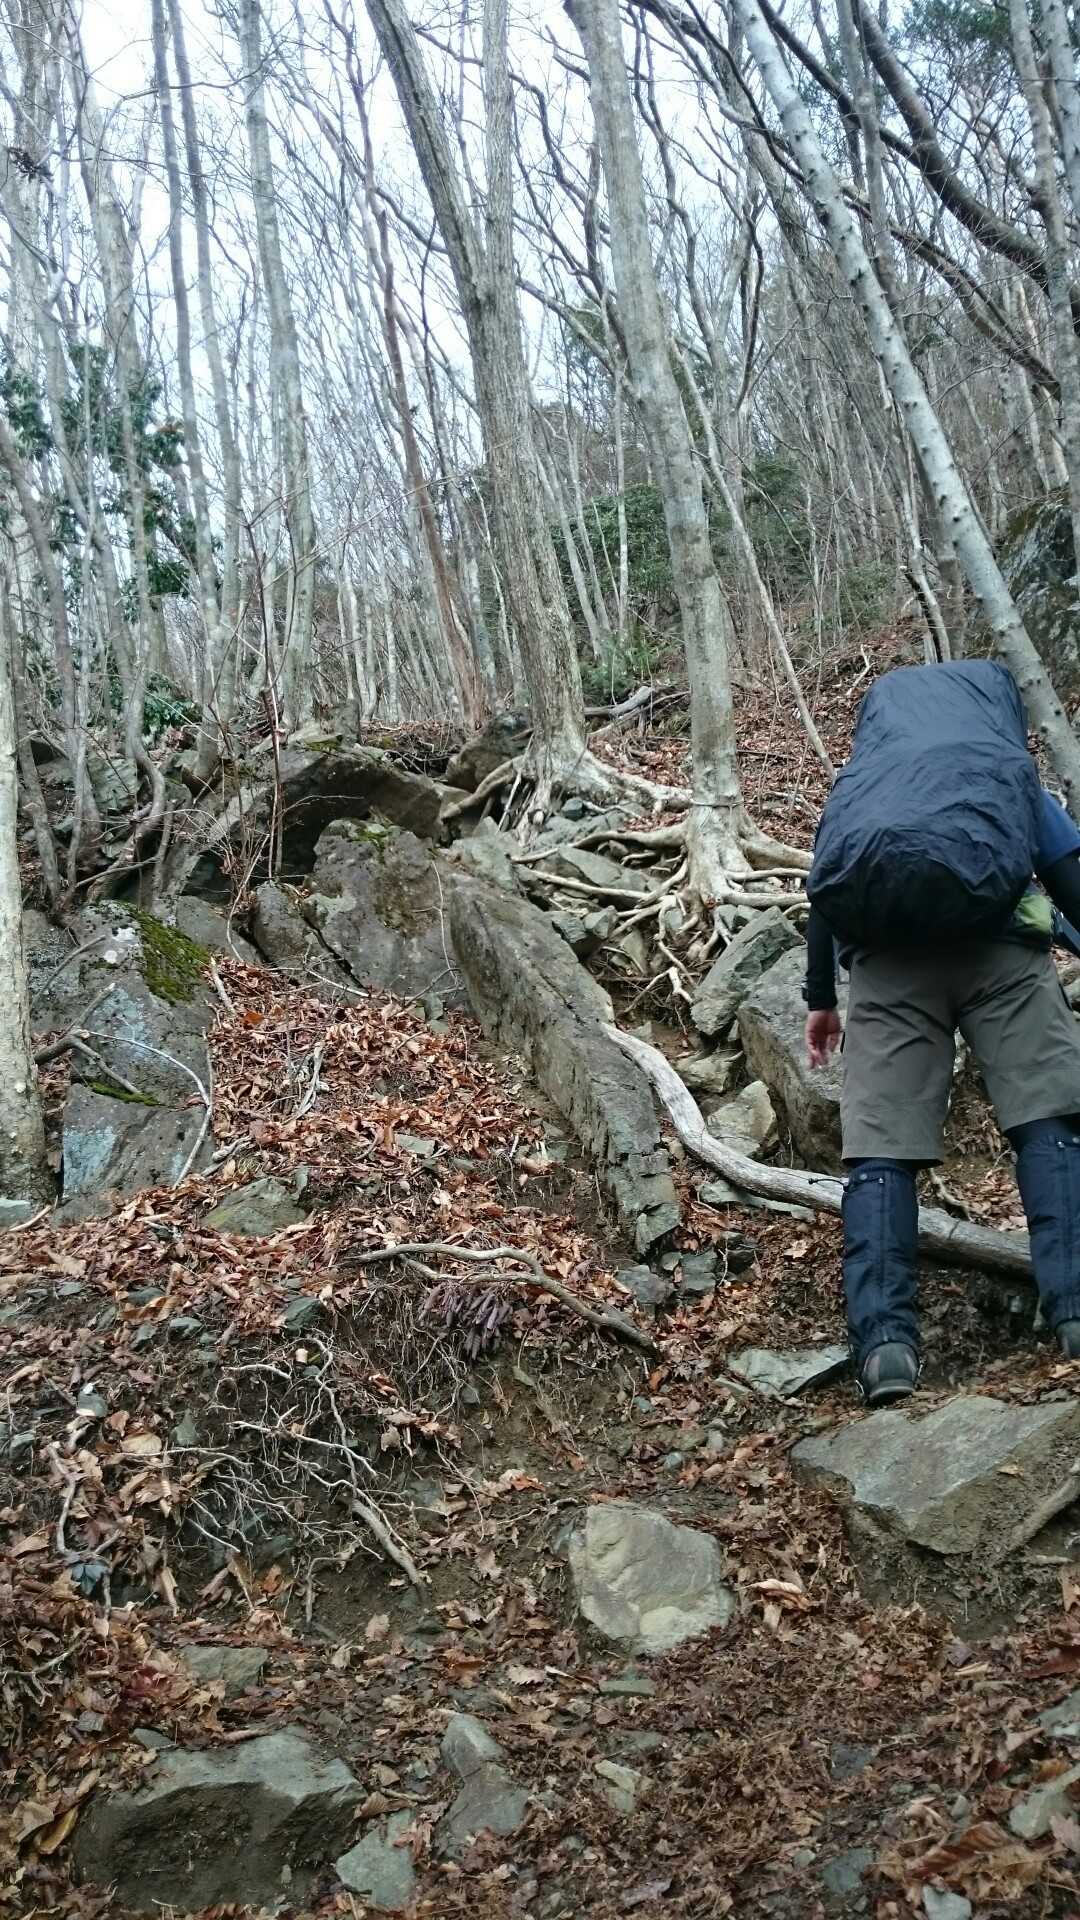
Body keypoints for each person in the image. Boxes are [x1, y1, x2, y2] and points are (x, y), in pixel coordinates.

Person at [804, 665, 1080, 1408]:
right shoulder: (1003, 770)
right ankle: (1075, 1309)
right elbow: (1066, 873)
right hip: (1002, 956)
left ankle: (885, 1347)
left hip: (889, 971)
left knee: (881, 1152)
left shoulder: (861, 787)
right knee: (1047, 1118)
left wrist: (821, 1000)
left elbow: (825, 892)